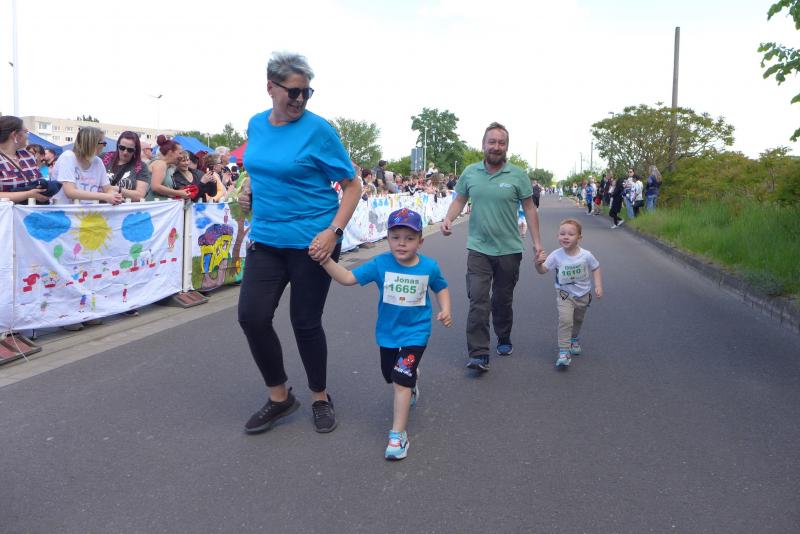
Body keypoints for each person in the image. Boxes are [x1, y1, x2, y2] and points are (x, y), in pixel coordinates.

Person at [237, 51, 361, 435]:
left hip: (313, 241)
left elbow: (353, 185)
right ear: (270, 88)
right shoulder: (256, 125)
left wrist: (333, 232)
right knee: (252, 317)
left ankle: (320, 397)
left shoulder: (318, 131)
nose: (300, 99)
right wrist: (248, 190)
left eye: (307, 92)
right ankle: (279, 398)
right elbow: (261, 168)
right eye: (293, 92)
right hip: (266, 239)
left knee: (305, 322)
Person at [319, 208, 452, 460]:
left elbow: (441, 288)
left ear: (420, 241)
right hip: (388, 333)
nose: (402, 243)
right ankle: (412, 379)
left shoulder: (429, 267)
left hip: (416, 332)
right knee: (390, 375)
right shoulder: (380, 264)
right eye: (395, 237)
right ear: (387, 238)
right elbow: (347, 277)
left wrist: (445, 309)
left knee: (400, 379)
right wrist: (326, 261)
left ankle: (397, 436)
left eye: (409, 238)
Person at [441, 122, 544, 372]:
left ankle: (504, 335)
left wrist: (537, 243)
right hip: (478, 248)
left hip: (509, 249)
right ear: (483, 144)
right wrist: (448, 219)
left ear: (506, 146)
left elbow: (530, 208)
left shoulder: (518, 175)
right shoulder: (470, 172)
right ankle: (479, 354)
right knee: (478, 299)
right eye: (492, 142)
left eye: (501, 143)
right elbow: (460, 200)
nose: (496, 146)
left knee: (502, 300)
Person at [535, 218, 603, 368]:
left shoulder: (586, 255)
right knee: (566, 321)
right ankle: (564, 351)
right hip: (564, 295)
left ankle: (574, 339)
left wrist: (598, 286)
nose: (565, 237)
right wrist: (537, 264)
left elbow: (596, 267)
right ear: (558, 236)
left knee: (578, 320)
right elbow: (543, 270)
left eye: (571, 234)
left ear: (579, 237)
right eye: (562, 234)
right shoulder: (556, 255)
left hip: (583, 295)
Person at [52, 126, 123, 206]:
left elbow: (107, 189)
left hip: (87, 211)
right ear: (92, 144)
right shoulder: (68, 157)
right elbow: (70, 192)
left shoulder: (98, 161)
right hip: (64, 211)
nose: (104, 146)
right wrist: (106, 196)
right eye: (103, 143)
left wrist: (114, 195)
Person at [0, 116, 54, 203]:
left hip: (32, 210)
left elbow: (39, 181)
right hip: (7, 211)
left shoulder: (28, 155)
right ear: (15, 135)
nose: (27, 136)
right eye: (26, 132)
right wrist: (27, 194)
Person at [101, 131, 151, 202]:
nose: (125, 152)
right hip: (100, 207)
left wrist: (117, 189)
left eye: (130, 150)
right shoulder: (103, 158)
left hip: (125, 208)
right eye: (122, 148)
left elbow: (140, 195)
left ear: (135, 150)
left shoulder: (141, 166)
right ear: (118, 145)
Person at [147, 136, 190, 201]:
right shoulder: (161, 164)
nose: (181, 156)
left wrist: (178, 193)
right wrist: (179, 193)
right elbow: (155, 187)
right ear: (170, 152)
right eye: (180, 153)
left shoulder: (167, 165)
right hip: (154, 205)